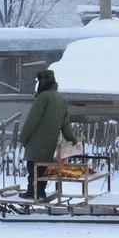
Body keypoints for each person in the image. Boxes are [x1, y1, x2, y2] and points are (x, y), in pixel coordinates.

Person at [18, 69, 78, 200]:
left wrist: (23, 138)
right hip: (50, 143)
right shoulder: (61, 100)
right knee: (43, 169)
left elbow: (32, 121)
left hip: (36, 142)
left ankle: (32, 192)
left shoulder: (43, 97)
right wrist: (71, 138)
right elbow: (65, 124)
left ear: (43, 82)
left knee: (32, 168)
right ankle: (40, 191)